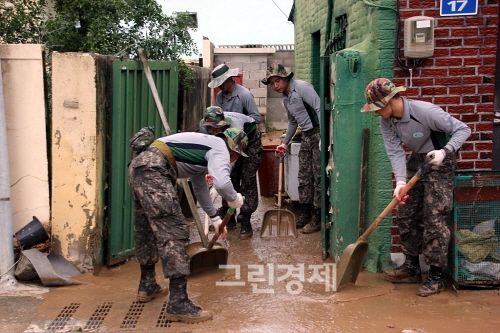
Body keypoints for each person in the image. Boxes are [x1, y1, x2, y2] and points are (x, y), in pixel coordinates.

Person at [361, 78, 471, 297]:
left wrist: (445, 151)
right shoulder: (387, 120)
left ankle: (436, 276)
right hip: (416, 161)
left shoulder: (425, 111)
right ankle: (411, 266)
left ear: (390, 101)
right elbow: (394, 151)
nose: (375, 113)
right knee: (406, 212)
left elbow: (462, 129)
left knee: (434, 217)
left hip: (439, 161)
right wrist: (401, 181)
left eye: (377, 108)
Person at [128, 128, 248, 323]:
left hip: (139, 166)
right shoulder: (220, 148)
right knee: (174, 232)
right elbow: (223, 184)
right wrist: (235, 200)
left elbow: (200, 188)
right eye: (236, 157)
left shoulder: (202, 152)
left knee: (147, 228)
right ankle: (178, 303)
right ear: (234, 151)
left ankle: (147, 284)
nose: (233, 161)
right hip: (156, 169)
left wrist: (215, 218)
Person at [261, 63, 321, 234]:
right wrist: (285, 142)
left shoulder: (302, 88)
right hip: (306, 136)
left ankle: (316, 217)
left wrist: (324, 135)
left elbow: (318, 108)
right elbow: (293, 122)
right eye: (272, 83)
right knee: (303, 176)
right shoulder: (286, 98)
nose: (275, 86)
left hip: (317, 134)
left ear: (286, 78)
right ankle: (305, 213)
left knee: (317, 178)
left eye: (278, 81)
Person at [200, 106, 263, 239]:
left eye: (217, 128)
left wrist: (220, 179)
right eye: (211, 129)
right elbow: (209, 151)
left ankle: (246, 219)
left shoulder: (235, 128)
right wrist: (211, 175)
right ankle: (229, 217)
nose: (214, 131)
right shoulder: (203, 128)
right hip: (227, 143)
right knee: (231, 181)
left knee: (247, 179)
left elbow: (230, 159)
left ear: (224, 123)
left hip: (250, 141)